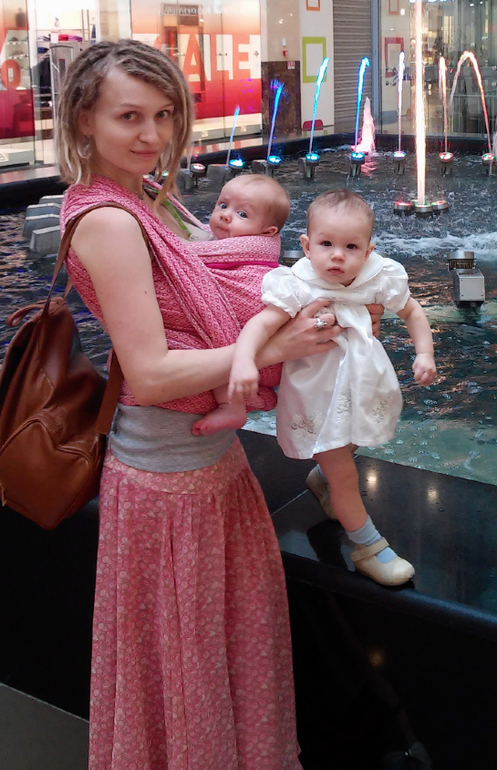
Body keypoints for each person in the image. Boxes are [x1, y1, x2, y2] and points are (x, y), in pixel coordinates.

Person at [55, 39, 344, 770]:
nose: (151, 134)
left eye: (164, 115)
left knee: (216, 668)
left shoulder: (146, 198)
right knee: (191, 678)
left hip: (205, 472)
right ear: (85, 119)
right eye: (129, 116)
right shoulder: (110, 219)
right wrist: (275, 348)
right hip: (168, 488)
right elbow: (151, 374)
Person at [227, 188, 436, 587]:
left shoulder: (376, 277)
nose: (337, 256)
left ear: (368, 251)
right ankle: (368, 547)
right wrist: (243, 360)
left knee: (352, 443)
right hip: (318, 396)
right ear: (306, 246)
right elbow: (260, 324)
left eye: (350, 246)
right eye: (326, 244)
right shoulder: (297, 285)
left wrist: (424, 353)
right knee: (345, 475)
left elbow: (412, 311)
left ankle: (321, 479)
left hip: (361, 387)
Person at [189, 173, 291, 435]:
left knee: (212, 335)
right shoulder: (215, 244)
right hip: (255, 352)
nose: (225, 215)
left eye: (242, 214)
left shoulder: (248, 258)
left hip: (259, 352)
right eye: (223, 205)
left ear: (267, 233)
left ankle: (231, 406)